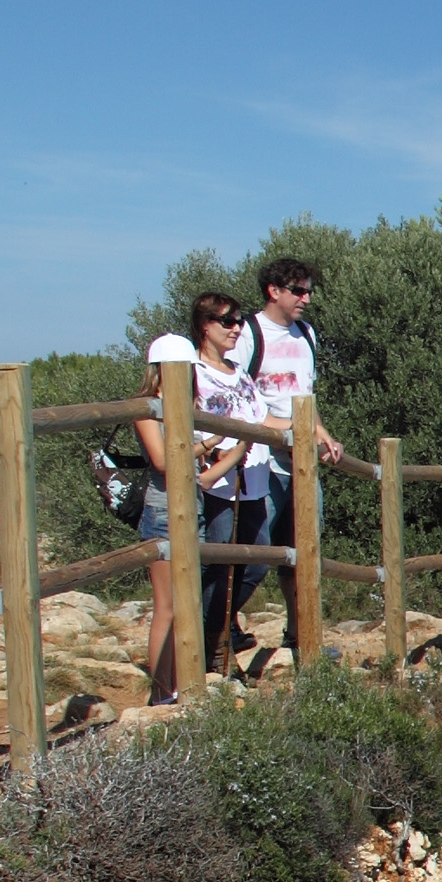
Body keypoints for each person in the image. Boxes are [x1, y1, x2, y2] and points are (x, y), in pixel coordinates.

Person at [131, 295, 289, 703]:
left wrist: (230, 446)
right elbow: (166, 461)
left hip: (192, 505)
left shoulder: (190, 404)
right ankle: (162, 691)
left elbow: (194, 469)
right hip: (165, 506)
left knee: (184, 600)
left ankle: (180, 679)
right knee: (169, 605)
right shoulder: (148, 409)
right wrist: (215, 443)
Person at [224, 256, 343, 670]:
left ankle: (301, 635)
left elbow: (305, 398)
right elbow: (236, 399)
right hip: (259, 460)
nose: (306, 299)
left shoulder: (306, 334)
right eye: (298, 290)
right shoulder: (248, 334)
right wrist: (287, 431)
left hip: (302, 460)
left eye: (308, 291)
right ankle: (216, 632)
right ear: (273, 291)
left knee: (304, 549)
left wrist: (322, 434)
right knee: (256, 553)